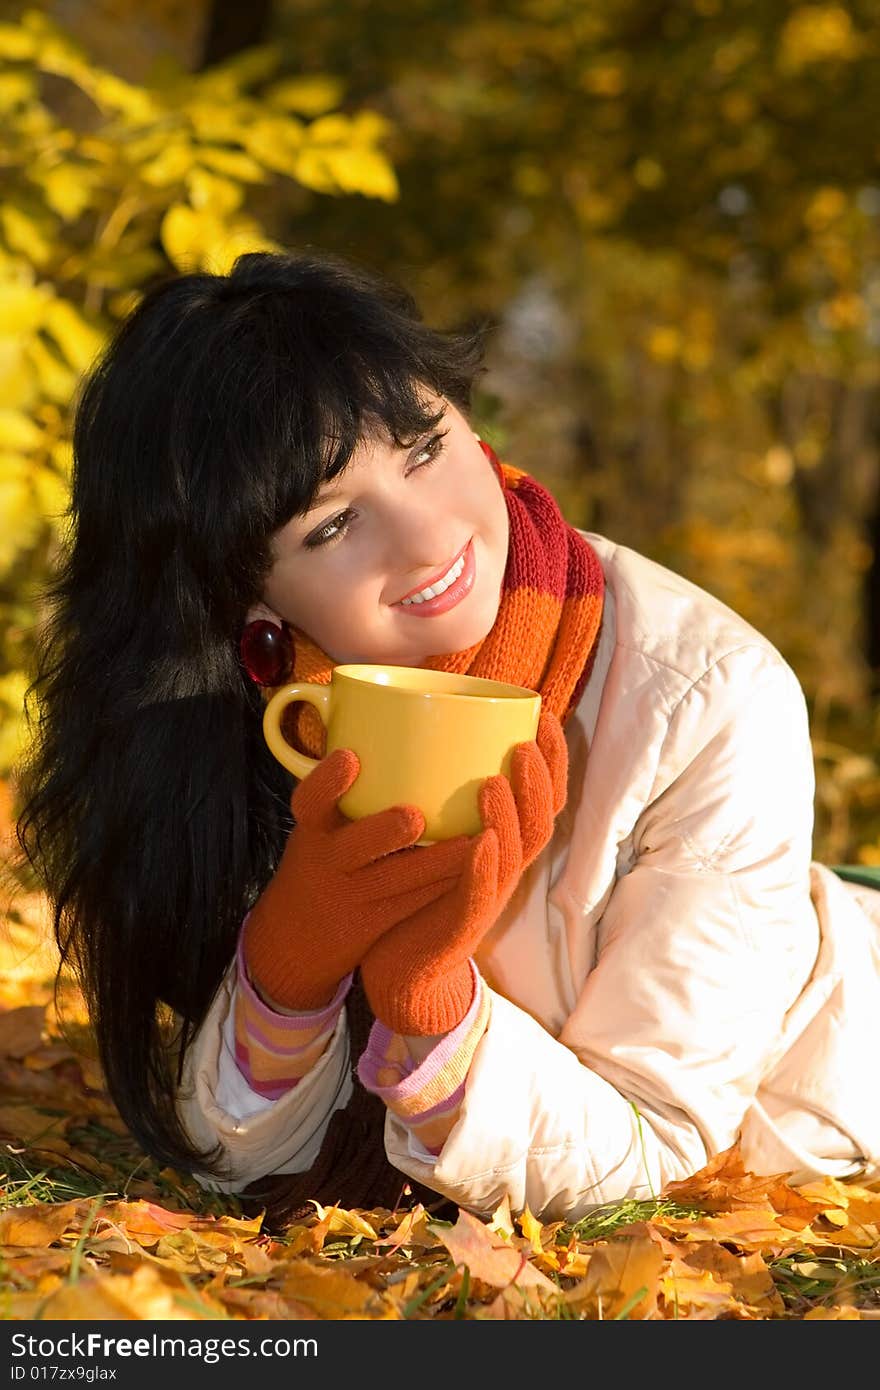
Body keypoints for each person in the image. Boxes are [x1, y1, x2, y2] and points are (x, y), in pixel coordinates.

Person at [14, 247, 880, 1229]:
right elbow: (227, 1152)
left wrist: (431, 1003)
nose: (429, 539)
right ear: (242, 601)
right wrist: (291, 960)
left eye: (424, 446)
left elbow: (661, 1148)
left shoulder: (711, 691)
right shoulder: (275, 712)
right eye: (333, 526)